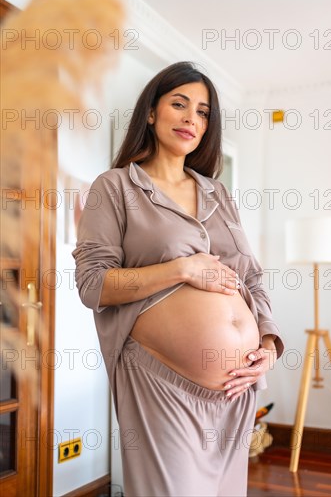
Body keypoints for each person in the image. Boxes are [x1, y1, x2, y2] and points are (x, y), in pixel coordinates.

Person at [72, 61, 284, 497]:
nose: (192, 118)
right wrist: (181, 269)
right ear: (151, 113)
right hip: (162, 382)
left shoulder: (217, 193)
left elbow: (252, 277)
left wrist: (267, 345)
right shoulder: (114, 188)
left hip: (236, 389)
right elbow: (93, 285)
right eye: (180, 104)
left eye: (203, 112)